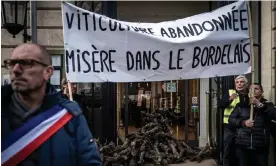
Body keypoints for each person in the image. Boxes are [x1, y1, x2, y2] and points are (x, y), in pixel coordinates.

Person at [1, 43, 102, 166]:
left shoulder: (70, 115)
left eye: (27, 63)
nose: (16, 70)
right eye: (11, 63)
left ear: (48, 72)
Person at [229, 83, 276, 166]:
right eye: (251, 89)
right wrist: (244, 122)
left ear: (261, 92)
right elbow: (231, 119)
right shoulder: (241, 105)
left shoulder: (268, 104)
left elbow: (274, 114)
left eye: (256, 89)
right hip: (243, 143)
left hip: (260, 144)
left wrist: (258, 103)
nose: (253, 90)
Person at [218, 75, 250, 166]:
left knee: (242, 151)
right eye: (237, 82)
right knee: (227, 150)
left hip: (243, 127)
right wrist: (229, 99)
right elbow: (220, 105)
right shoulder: (230, 92)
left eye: (242, 82)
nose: (239, 84)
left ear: (246, 84)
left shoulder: (249, 95)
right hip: (229, 126)